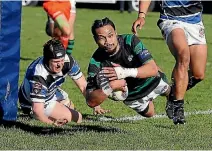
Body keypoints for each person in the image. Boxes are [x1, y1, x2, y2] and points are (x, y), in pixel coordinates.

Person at [132, 0, 207, 124]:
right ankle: (178, 106)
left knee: (198, 74)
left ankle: (171, 92)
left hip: (195, 22)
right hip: (171, 19)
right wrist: (141, 15)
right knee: (183, 56)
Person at [86, 17, 171, 118]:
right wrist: (111, 86)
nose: (108, 41)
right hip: (132, 94)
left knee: (169, 91)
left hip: (151, 80)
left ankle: (169, 96)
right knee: (150, 114)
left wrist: (122, 72)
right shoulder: (96, 62)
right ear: (95, 39)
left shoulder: (130, 41)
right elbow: (90, 101)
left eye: (110, 35)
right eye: (101, 38)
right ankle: (148, 99)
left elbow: (152, 70)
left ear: (116, 33)